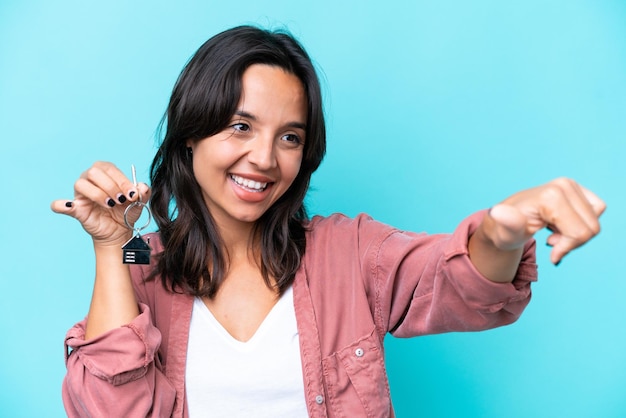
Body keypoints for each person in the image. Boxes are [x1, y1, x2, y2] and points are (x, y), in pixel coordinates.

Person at [51, 25, 605, 418]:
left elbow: (454, 279)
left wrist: (503, 229)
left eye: (289, 136)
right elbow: (108, 409)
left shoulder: (347, 251)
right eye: (241, 127)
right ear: (191, 134)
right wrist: (111, 246)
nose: (266, 159)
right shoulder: (143, 257)